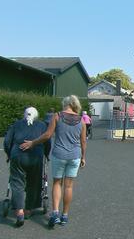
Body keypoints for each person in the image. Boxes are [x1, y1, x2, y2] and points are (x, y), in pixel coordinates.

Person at [20, 95, 86, 228]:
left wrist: (33, 143)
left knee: (57, 183)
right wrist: (83, 157)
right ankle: (65, 215)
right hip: (75, 156)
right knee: (69, 186)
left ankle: (55, 213)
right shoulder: (81, 121)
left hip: (59, 154)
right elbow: (83, 141)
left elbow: (47, 135)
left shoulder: (57, 116)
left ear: (65, 104)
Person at [3, 107, 51, 227]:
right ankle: (28, 209)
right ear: (36, 115)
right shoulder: (42, 125)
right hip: (36, 156)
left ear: (24, 115)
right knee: (34, 182)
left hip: (17, 155)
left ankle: (19, 212)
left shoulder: (16, 124)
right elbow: (47, 141)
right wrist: (46, 154)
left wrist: (9, 154)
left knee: (17, 182)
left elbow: (7, 142)